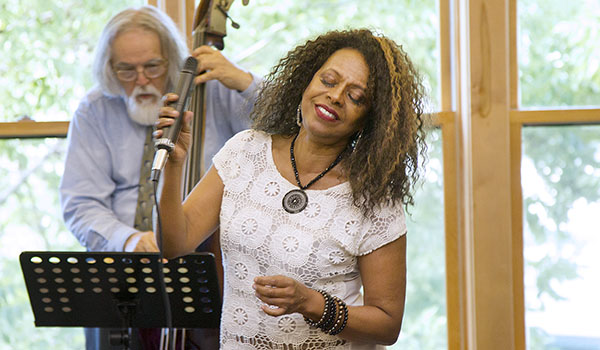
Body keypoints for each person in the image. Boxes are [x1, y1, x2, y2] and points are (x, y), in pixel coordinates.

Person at [155, 28, 427, 349]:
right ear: (306, 81)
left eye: (356, 97)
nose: (336, 96)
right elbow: (174, 243)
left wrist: (311, 303)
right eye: (328, 81)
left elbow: (386, 325)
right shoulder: (244, 151)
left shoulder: (373, 197)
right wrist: (174, 166)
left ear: (369, 120)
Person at [58, 5, 259, 350]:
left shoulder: (217, 90)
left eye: (152, 66)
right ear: (109, 68)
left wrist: (245, 82)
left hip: (213, 277)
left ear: (172, 57)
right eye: (126, 70)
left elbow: (291, 129)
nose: (141, 80)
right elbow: (80, 204)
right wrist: (130, 240)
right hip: (124, 282)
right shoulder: (94, 111)